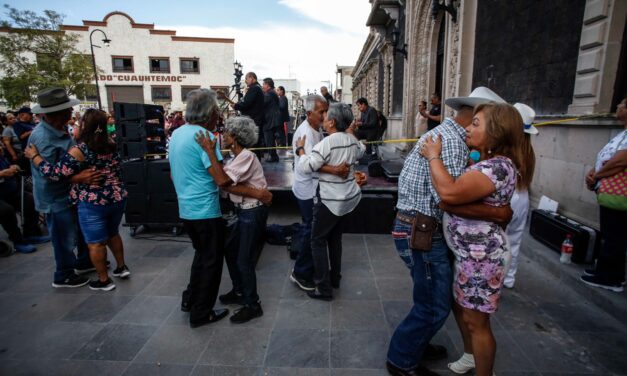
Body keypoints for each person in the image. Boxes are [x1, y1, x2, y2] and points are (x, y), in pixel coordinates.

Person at [386, 87, 509, 376]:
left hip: (418, 226)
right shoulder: (451, 142)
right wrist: (496, 212)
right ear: (475, 115)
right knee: (433, 305)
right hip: (423, 230)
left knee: (430, 297)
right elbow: (449, 198)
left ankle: (415, 343)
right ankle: (401, 360)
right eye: (481, 120)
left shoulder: (446, 137)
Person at [421, 102, 533, 376]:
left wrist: (434, 156)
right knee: (464, 312)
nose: (468, 128)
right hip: (469, 256)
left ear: (496, 132)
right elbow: (455, 201)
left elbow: (448, 193)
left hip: (482, 260)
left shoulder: (496, 168)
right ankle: (471, 356)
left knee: (477, 323)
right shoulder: (485, 162)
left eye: (476, 124)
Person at [169, 88, 271, 328]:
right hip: (205, 209)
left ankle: (190, 299)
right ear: (209, 113)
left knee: (203, 255)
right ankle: (201, 312)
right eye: (216, 111)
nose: (219, 117)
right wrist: (259, 193)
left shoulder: (177, 134)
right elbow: (223, 180)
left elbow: (174, 175)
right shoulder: (205, 137)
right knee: (211, 262)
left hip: (186, 207)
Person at [26, 109, 131, 292]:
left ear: (84, 125)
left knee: (95, 242)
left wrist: (35, 157)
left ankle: (104, 281)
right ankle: (121, 268)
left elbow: (55, 173)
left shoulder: (81, 149)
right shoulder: (111, 143)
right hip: (116, 197)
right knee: (113, 233)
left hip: (93, 201)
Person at [196, 116, 272, 324]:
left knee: (244, 259)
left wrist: (210, 152)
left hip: (252, 211)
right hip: (245, 210)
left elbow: (223, 182)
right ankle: (239, 291)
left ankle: (252, 304)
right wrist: (256, 192)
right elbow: (225, 182)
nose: (223, 136)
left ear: (236, 137)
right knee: (230, 250)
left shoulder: (246, 156)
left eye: (227, 133)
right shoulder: (236, 157)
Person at [27, 88, 102, 288]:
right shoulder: (42, 138)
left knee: (77, 229)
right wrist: (79, 177)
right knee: (63, 237)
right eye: (67, 110)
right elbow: (50, 173)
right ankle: (64, 274)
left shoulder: (59, 130)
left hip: (69, 194)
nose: (71, 113)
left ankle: (84, 261)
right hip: (55, 197)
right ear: (57, 114)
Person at [295, 102, 366, 300]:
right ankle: (335, 278)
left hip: (330, 200)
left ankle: (323, 288)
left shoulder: (327, 142)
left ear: (332, 122)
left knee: (317, 241)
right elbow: (361, 150)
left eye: (326, 117)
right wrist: (351, 132)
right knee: (335, 239)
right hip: (348, 199)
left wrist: (301, 150)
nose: (323, 120)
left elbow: (308, 166)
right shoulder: (352, 141)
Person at [289, 95, 350, 292]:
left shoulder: (317, 130)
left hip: (316, 188)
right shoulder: (305, 134)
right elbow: (309, 165)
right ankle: (300, 272)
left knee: (314, 231)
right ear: (309, 114)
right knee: (311, 231)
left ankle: (312, 268)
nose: (326, 115)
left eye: (326, 111)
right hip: (307, 189)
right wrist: (335, 170)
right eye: (322, 112)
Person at [581, 96, 627, 292]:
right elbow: (607, 158)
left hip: (619, 195)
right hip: (608, 192)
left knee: (615, 235)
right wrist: (595, 172)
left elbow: (619, 162)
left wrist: (597, 175)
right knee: (610, 232)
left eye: (622, 104)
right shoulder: (622, 134)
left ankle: (610, 277)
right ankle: (610, 271)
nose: (617, 106)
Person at [503, 103, 538, 289]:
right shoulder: (528, 151)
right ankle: (509, 278)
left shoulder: (507, 150)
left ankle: (497, 276)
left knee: (500, 238)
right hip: (522, 197)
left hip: (508, 197)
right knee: (515, 239)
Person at [0, 147, 49, 254]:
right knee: (6, 211)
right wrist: (2, 173)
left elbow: (10, 165)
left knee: (30, 200)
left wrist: (14, 167)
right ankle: (18, 241)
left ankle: (31, 233)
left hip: (10, 189)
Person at [261, 78, 280, 162]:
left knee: (269, 139)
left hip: (270, 120)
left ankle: (273, 157)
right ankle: (274, 156)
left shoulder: (269, 93)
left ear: (268, 85)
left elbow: (262, 102)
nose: (263, 86)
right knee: (270, 139)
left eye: (263, 84)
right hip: (273, 120)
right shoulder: (272, 92)